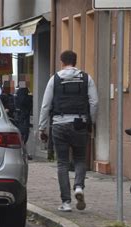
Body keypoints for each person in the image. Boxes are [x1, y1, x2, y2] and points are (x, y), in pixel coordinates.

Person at [38, 50, 98, 212]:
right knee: (79, 158)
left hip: (59, 124)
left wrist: (42, 127)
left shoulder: (55, 79)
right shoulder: (87, 78)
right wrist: (91, 122)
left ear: (62, 62)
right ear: (75, 61)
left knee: (62, 163)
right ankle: (79, 187)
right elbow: (94, 103)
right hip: (79, 123)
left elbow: (45, 105)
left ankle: (66, 202)